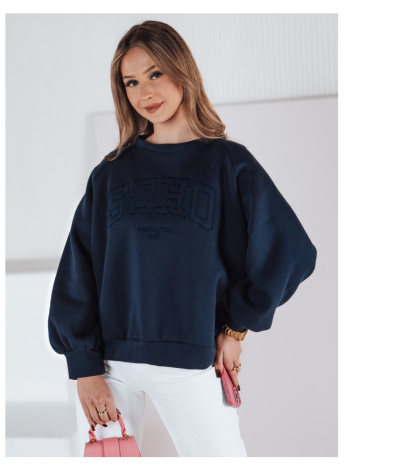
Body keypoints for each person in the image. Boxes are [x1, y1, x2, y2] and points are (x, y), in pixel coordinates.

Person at [47, 20, 317, 457]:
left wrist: (235, 327)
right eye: (131, 82)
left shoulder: (228, 164)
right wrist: (83, 367)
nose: (145, 92)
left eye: (155, 74)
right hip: (110, 366)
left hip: (190, 361)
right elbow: (78, 271)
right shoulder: (111, 174)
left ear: (181, 70)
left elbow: (290, 251)